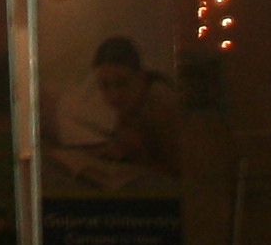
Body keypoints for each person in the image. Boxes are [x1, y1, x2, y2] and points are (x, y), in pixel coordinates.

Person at [44, 35, 185, 195]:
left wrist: (137, 155)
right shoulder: (131, 103)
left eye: (122, 84)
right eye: (105, 86)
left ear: (141, 77)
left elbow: (181, 171)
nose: (114, 95)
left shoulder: (163, 105)